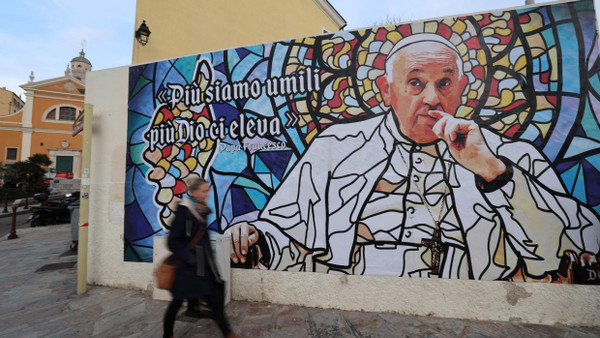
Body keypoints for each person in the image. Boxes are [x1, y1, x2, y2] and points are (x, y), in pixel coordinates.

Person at [226, 33, 600, 282]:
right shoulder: (335, 146)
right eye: (416, 83)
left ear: (463, 89)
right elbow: (289, 231)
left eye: (445, 83)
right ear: (387, 90)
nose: (433, 99)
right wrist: (256, 238)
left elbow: (565, 244)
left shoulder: (509, 156)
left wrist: (493, 172)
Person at [163, 178, 239, 338]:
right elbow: (172, 242)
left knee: (216, 303)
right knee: (176, 303)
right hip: (186, 270)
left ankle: (228, 333)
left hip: (203, 269)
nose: (207, 194)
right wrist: (190, 258)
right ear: (193, 192)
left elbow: (203, 242)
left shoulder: (201, 211)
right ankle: (167, 335)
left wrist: (213, 268)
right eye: (204, 191)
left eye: (207, 190)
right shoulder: (184, 212)